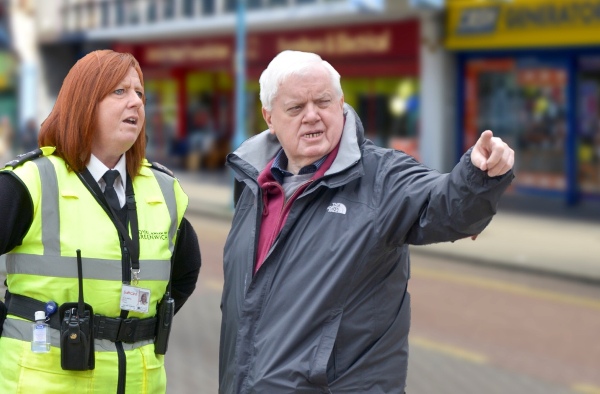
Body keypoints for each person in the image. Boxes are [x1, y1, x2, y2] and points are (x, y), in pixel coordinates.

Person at [219, 50, 514, 393]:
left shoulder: (381, 178)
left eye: (323, 102)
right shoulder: (252, 181)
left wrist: (477, 177)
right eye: (296, 108)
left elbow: (445, 205)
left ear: (341, 103)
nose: (312, 116)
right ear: (269, 117)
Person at [0, 50, 201, 393]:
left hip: (141, 384)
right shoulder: (30, 182)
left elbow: (184, 275)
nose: (136, 103)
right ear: (84, 103)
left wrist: (134, 327)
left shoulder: (164, 189)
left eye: (140, 93)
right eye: (119, 92)